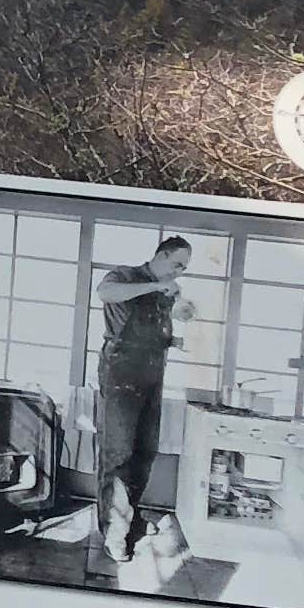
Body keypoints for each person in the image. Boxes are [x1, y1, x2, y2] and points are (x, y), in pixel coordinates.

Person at [86, 235, 195, 582]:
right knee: (118, 454)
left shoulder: (165, 290)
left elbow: (158, 327)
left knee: (145, 453)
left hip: (152, 375)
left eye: (184, 268)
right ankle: (114, 537)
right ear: (161, 255)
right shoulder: (125, 276)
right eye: (177, 264)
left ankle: (128, 519)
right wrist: (155, 286)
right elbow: (105, 295)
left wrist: (174, 334)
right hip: (120, 374)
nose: (179, 272)